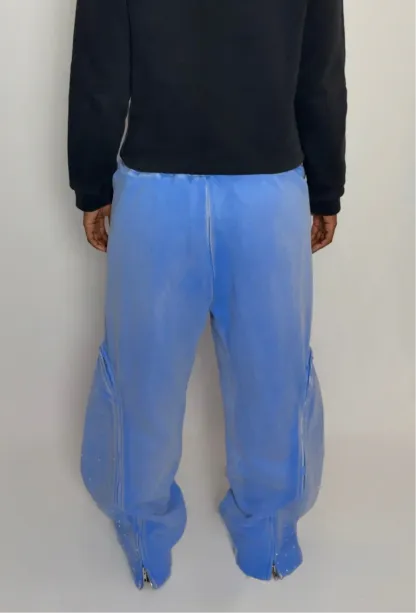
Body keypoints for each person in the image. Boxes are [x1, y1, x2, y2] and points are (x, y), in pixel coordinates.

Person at [68, 0, 346, 589]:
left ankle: (143, 529)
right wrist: (325, 187)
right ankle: (268, 533)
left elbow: (99, 65)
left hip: (156, 192)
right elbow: (319, 70)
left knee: (143, 374)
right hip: (268, 189)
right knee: (272, 371)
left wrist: (92, 183)